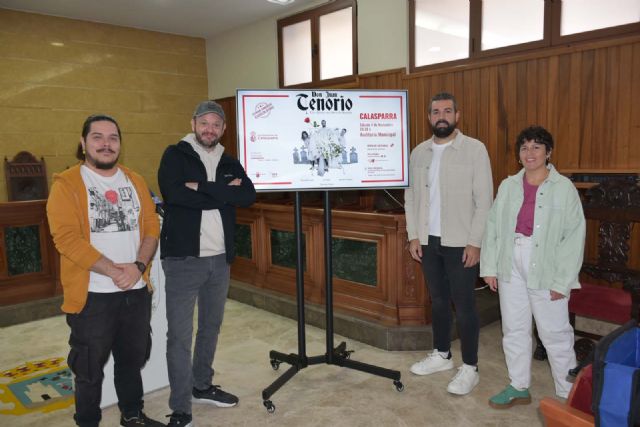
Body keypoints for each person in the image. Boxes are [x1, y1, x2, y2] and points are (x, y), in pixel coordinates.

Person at [46, 114, 163, 427]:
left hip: (135, 292)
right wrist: (114, 271)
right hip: (93, 297)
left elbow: (151, 224)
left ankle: (132, 414)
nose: (106, 143)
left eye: (113, 137)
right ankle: (87, 421)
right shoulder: (66, 184)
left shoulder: (135, 180)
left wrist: (139, 267)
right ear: (84, 143)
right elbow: (66, 239)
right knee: (88, 369)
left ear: (120, 144)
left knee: (132, 360)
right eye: (97, 137)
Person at [158, 100, 256, 427]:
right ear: (193, 122)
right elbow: (174, 195)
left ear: (223, 129)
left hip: (220, 260)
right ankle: (181, 407)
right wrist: (222, 193)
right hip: (184, 259)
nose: (209, 129)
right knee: (180, 337)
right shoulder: (175, 155)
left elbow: (247, 196)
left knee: (210, 328)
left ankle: (202, 385)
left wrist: (200, 187)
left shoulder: (229, 160)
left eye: (216, 124)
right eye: (204, 123)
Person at [480, 125, 585, 408]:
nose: (530, 153)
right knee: (514, 329)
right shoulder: (508, 185)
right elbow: (493, 228)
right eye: (524, 147)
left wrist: (562, 281)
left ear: (548, 152)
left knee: (555, 332)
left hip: (546, 265)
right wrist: (490, 266)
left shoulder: (563, 189)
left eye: (537, 147)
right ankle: (518, 385)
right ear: (518, 154)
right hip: (510, 259)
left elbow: (574, 238)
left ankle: (568, 393)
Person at [404, 92, 493, 395]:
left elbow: (484, 201)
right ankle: (442, 354)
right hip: (429, 241)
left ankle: (470, 367)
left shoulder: (475, 150)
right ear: (429, 117)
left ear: (457, 115)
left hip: (461, 242)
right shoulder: (418, 153)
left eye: (447, 111)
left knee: (464, 304)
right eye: (435, 111)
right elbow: (411, 197)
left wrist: (475, 242)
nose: (441, 116)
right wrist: (413, 234)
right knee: (439, 302)